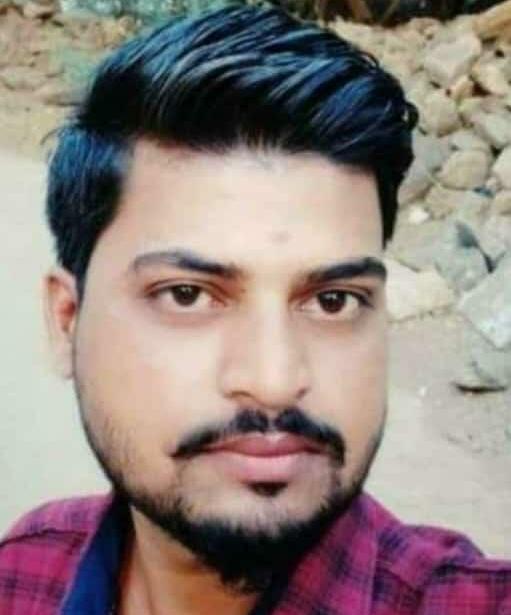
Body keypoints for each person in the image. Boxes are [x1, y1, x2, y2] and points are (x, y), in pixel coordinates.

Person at [0, 5, 509, 614]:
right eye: (187, 295)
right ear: (67, 322)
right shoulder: (24, 574)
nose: (274, 381)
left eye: (333, 301)